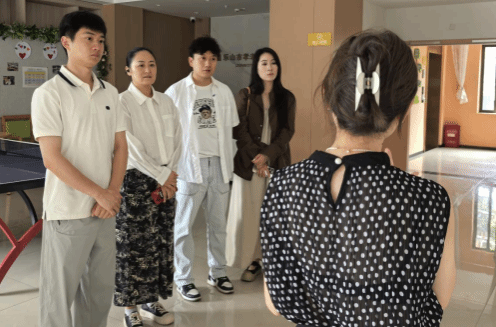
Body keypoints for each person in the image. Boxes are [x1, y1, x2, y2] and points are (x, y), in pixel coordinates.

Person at [260, 30, 456, 327]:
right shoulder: (428, 199)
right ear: (403, 111)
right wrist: (392, 188)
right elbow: (439, 298)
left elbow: (276, 302)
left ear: (328, 98)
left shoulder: (282, 186)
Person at [32, 11, 128, 327]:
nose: (97, 46)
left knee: (98, 295)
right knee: (58, 299)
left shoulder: (110, 92)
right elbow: (52, 158)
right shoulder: (48, 94)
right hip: (68, 211)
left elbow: (121, 147)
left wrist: (111, 193)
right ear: (67, 42)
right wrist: (100, 193)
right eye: (88, 38)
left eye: (100, 40)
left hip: (104, 211)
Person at [165, 36, 239, 301]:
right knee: (184, 227)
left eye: (213, 58)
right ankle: (183, 279)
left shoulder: (224, 91)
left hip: (219, 165)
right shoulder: (176, 92)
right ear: (191, 61)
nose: (208, 63)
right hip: (188, 167)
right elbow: (168, 133)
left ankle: (218, 272)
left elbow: (231, 129)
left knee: (218, 225)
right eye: (203, 58)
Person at [115, 47, 182, 327]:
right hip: (135, 181)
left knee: (160, 243)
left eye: (152, 64)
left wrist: (170, 175)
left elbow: (179, 138)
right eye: (140, 65)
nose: (147, 70)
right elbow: (130, 147)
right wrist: (162, 175)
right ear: (128, 70)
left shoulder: (166, 101)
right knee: (134, 246)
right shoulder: (122, 102)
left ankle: (150, 301)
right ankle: (130, 308)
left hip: (167, 180)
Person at [226, 47, 295, 282]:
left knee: (274, 215)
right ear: (256, 67)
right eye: (264, 63)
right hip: (249, 164)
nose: (269, 67)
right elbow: (239, 130)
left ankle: (273, 261)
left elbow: (287, 132)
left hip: (276, 163)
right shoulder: (244, 95)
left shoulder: (287, 98)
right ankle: (253, 260)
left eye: (273, 62)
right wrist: (258, 157)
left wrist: (267, 156)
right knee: (249, 214)